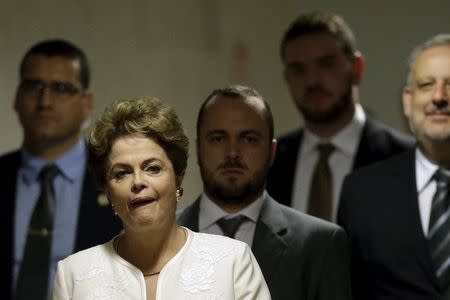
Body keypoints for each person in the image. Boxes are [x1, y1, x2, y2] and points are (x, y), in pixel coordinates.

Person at [51, 97, 271, 299]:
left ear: (178, 177)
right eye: (122, 173)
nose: (138, 182)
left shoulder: (233, 262)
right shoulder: (73, 275)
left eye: (153, 168)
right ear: (108, 192)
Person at [177, 85, 352, 300]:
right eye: (218, 138)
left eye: (249, 139)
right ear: (198, 148)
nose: (233, 153)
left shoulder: (319, 245)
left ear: (272, 151)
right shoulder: (158, 237)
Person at [0, 39, 122, 300]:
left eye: (61, 88)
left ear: (87, 104)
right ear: (17, 98)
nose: (45, 100)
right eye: (34, 86)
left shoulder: (119, 180)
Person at [266, 11, 414, 222]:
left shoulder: (406, 159)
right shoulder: (269, 162)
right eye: (298, 69)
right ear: (287, 78)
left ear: (356, 67)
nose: (312, 80)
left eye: (326, 64)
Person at [338, 34, 450, 299]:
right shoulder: (362, 193)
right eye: (426, 85)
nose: (439, 96)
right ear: (407, 100)